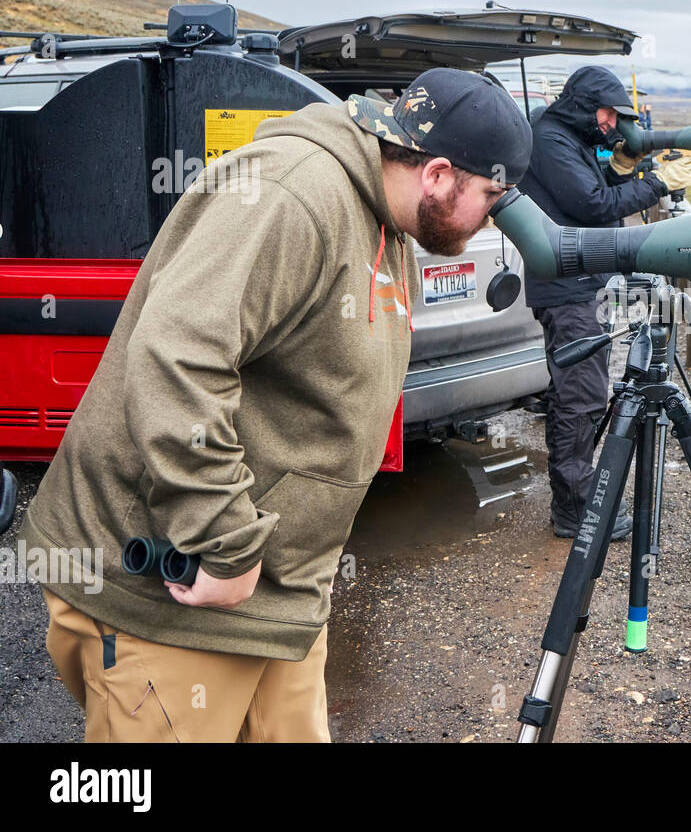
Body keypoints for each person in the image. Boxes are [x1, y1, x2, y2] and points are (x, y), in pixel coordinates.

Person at [17, 68, 532, 742]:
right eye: (491, 194)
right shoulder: (291, 198)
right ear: (437, 175)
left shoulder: (387, 219)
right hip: (182, 594)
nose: (496, 213)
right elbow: (178, 358)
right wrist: (226, 544)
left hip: (280, 594)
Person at [519, 66, 691, 539]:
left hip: (578, 283)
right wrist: (657, 183)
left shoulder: (561, 136)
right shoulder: (548, 138)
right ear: (583, 103)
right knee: (581, 398)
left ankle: (577, 500)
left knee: (580, 394)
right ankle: (575, 512)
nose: (613, 124)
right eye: (609, 113)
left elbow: (586, 188)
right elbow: (593, 205)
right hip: (567, 287)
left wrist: (615, 169)